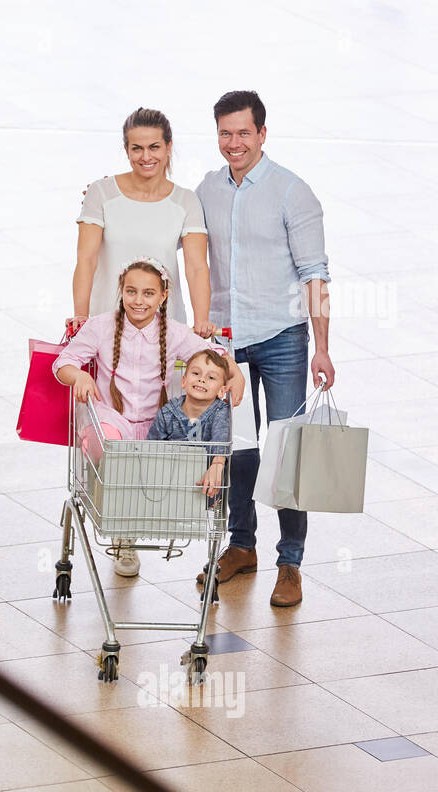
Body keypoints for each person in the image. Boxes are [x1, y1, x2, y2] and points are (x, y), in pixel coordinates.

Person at [195, 90, 336, 608]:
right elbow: (172, 227)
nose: (234, 143)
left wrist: (321, 346)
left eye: (243, 133)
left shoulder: (291, 192)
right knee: (237, 448)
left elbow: (315, 274)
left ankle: (290, 562)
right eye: (225, 133)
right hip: (227, 342)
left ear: (262, 133)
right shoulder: (206, 190)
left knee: (285, 450)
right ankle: (241, 544)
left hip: (282, 338)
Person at [54, 258, 245, 576]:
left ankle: (148, 519)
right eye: (131, 292)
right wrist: (79, 377)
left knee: (168, 460)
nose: (138, 300)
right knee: (111, 448)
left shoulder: (173, 333)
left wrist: (234, 374)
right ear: (121, 291)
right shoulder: (102, 326)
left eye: (147, 293)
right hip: (112, 419)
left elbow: (215, 355)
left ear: (163, 296)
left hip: (155, 426)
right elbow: (63, 363)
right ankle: (121, 531)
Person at [71, 108, 212, 337]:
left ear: (168, 147)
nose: (146, 157)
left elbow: (196, 267)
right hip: (106, 326)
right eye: (137, 148)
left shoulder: (186, 201)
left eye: (154, 147)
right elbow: (86, 259)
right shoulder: (101, 193)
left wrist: (201, 321)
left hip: (164, 329)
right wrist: (80, 315)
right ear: (127, 150)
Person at [146, 348, 232, 498]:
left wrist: (218, 464)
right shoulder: (168, 413)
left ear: (221, 391)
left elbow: (221, 439)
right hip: (169, 482)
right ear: (184, 381)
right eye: (196, 373)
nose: (202, 379)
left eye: (211, 377)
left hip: (205, 483)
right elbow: (151, 446)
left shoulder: (220, 412)